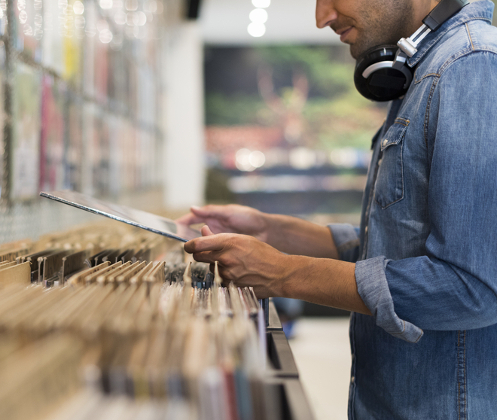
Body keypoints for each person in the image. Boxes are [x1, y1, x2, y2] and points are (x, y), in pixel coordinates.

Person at [178, 0, 497, 418]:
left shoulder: (469, 66)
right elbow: (396, 246)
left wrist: (285, 273)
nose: (321, 16)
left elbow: (472, 287)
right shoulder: (428, 70)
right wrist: (272, 231)